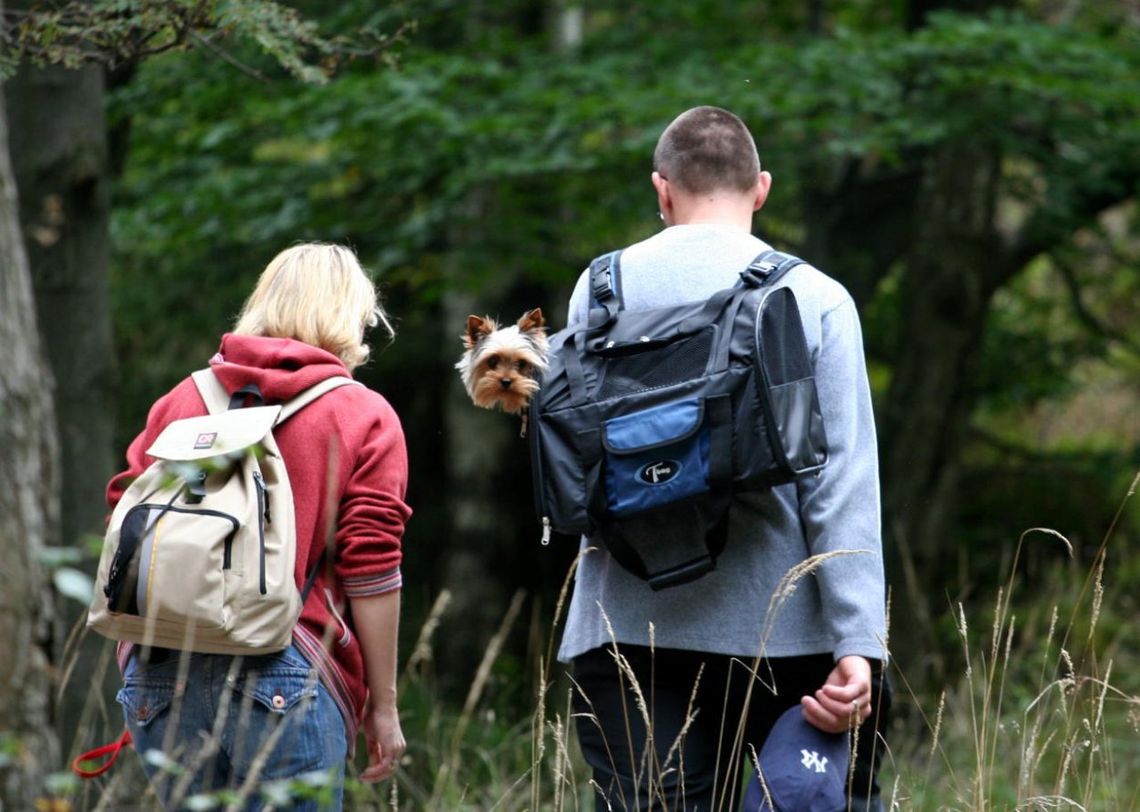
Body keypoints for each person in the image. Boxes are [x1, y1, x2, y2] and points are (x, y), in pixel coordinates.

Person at [559, 107, 890, 810]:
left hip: (624, 625)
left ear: (662, 190)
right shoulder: (812, 297)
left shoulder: (602, 287)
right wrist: (857, 642)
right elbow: (838, 481)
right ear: (761, 188)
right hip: (784, 631)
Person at [108, 243, 412, 809]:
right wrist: (383, 704)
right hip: (285, 665)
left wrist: (131, 652)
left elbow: (124, 519)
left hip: (158, 667)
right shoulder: (361, 413)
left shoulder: (181, 401)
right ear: (351, 313)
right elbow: (371, 566)